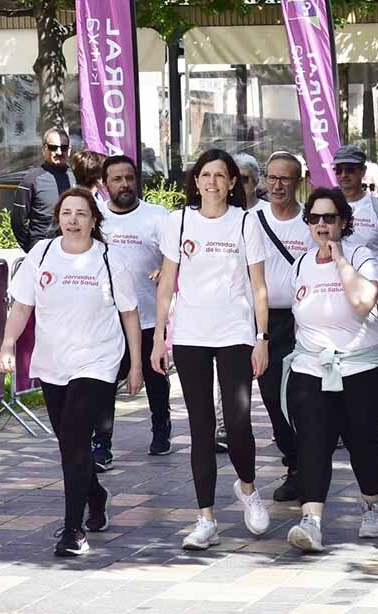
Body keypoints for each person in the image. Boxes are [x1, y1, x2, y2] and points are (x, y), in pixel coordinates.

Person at [0, 187, 143, 556]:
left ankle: (73, 530)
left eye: (81, 214)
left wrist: (136, 365)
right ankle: (95, 494)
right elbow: (22, 306)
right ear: (57, 219)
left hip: (97, 360)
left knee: (76, 439)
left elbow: (129, 314)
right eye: (66, 213)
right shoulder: (42, 254)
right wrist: (7, 345)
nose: (73, 220)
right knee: (69, 443)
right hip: (53, 362)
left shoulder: (109, 259)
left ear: (94, 220)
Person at [149, 149, 271, 550]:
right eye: (206, 175)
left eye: (221, 175)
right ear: (196, 181)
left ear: (233, 182)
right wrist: (159, 337)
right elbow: (167, 283)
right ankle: (206, 519)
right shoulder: (179, 221)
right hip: (190, 335)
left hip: (235, 331)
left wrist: (262, 338)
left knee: (237, 421)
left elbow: (258, 286)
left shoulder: (245, 222)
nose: (213, 182)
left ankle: (248, 488)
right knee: (200, 427)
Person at [282, 187, 378, 552]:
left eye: (329, 218)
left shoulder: (362, 256)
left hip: (362, 368)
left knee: (363, 442)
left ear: (343, 222)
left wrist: (340, 260)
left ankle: (372, 505)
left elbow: (363, 302)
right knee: (312, 442)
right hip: (312, 368)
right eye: (314, 218)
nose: (321, 225)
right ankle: (311, 521)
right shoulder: (300, 264)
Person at [90, 155, 173, 472]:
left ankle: (161, 427)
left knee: (155, 378)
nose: (124, 184)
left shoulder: (157, 216)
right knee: (105, 384)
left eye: (129, 177)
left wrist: (164, 268)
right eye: (117, 179)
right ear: (104, 184)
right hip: (109, 320)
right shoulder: (97, 218)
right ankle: (102, 444)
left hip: (149, 316)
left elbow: (175, 255)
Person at [256, 151, 314, 502]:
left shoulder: (311, 220)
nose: (277, 185)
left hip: (303, 321)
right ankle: (293, 462)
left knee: (301, 397)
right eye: (272, 178)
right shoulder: (252, 219)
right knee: (271, 396)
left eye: (285, 178)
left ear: (298, 182)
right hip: (264, 322)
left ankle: (306, 466)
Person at [331, 145, 378, 322]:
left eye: (350, 169)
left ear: (363, 171)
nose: (343, 175)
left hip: (370, 298)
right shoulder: (327, 203)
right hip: (332, 296)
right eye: (339, 170)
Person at [13, 128, 76, 252]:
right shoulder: (30, 181)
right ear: (44, 149)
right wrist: (32, 249)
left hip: (72, 249)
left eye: (63, 148)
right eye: (53, 147)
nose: (59, 152)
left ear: (69, 149)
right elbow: (18, 221)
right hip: (42, 249)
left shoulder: (76, 178)